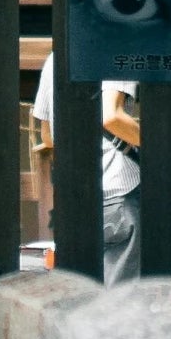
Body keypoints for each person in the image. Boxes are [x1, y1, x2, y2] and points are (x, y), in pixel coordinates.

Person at [30, 51, 140, 284]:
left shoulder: (54, 58)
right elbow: (111, 116)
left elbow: (48, 135)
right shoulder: (116, 51)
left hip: (76, 199)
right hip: (119, 190)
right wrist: (160, 146)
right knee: (122, 297)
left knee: (81, 294)